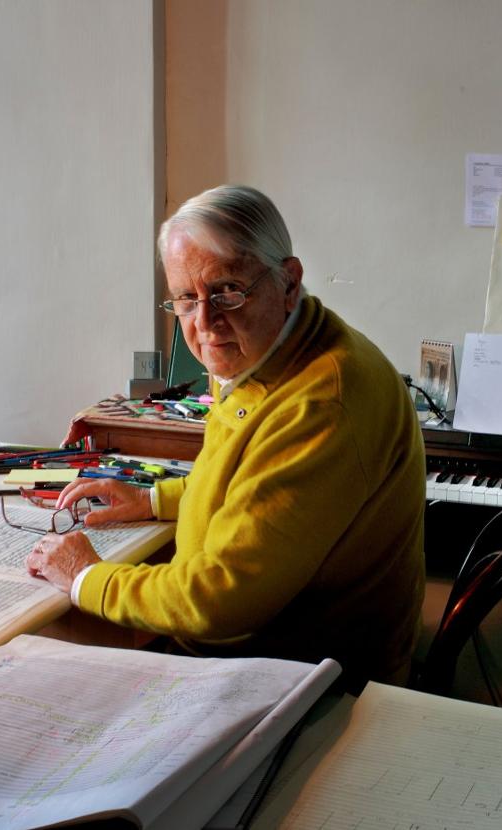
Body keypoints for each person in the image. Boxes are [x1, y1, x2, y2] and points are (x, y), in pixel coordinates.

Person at [25, 185, 426, 688]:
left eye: (227, 292)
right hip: (258, 651)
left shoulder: (320, 402)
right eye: (186, 300)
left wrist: (86, 577)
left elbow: (218, 601)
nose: (206, 326)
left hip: (301, 678)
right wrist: (154, 499)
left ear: (289, 281)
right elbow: (246, 479)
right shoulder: (262, 346)